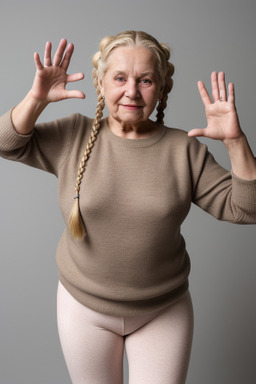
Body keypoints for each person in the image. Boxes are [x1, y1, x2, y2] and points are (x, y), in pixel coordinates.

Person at [0, 30, 255, 384]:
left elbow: (246, 209)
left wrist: (236, 142)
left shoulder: (184, 150)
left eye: (146, 80)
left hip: (163, 310)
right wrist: (36, 99)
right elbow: (6, 144)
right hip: (84, 308)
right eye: (120, 78)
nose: (132, 91)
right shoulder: (74, 134)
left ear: (161, 88)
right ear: (101, 83)